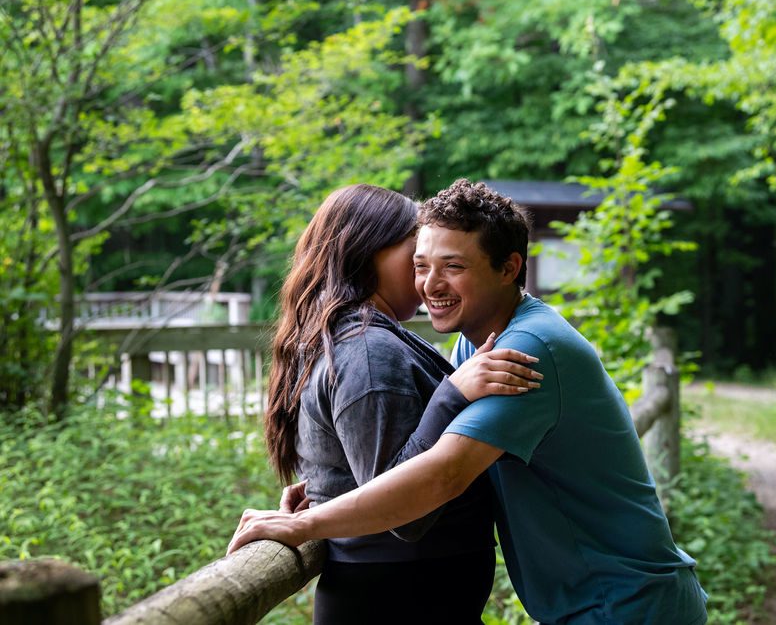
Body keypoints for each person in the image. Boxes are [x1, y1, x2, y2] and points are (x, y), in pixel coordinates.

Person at [231, 180, 709, 625]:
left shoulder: (527, 351)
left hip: (625, 604)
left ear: (508, 268)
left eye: (453, 266)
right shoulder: (473, 346)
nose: (430, 284)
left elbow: (444, 473)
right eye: (421, 264)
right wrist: (330, 490)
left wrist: (308, 524)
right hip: (594, 602)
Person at [260, 184, 543, 625]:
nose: (424, 277)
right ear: (367, 252)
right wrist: (453, 396)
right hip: (396, 598)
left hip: (404, 593)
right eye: (416, 258)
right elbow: (405, 513)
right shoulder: (369, 350)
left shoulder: (366, 337)